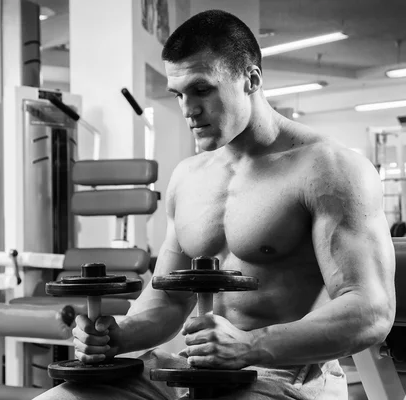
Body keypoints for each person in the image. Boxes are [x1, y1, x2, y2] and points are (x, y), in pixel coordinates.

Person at [35, 9, 396, 400]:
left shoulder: (329, 168)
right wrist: (117, 335)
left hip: (285, 377)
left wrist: (250, 345)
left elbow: (370, 311)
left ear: (251, 80)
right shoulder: (188, 177)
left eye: (202, 89)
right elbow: (169, 299)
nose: (188, 109)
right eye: (179, 95)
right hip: (194, 371)